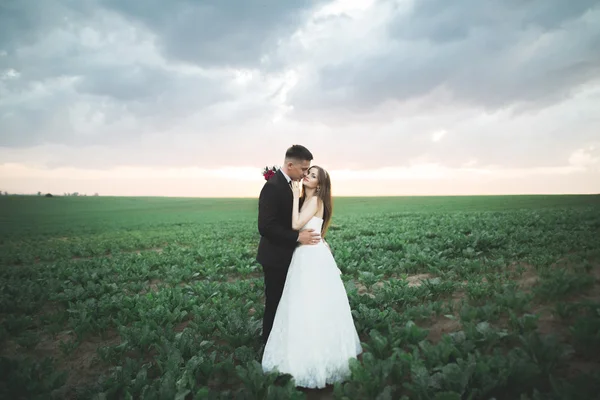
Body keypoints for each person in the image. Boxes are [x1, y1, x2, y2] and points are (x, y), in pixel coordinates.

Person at [261, 165, 362, 389]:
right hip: (306, 255)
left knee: (309, 303)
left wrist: (296, 194)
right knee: (303, 304)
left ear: (319, 185)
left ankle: (314, 359)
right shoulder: (309, 199)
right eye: (308, 172)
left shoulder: (314, 200)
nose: (307, 176)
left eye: (313, 176)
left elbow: (297, 224)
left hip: (310, 257)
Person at [256, 145, 321, 345]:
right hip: (275, 258)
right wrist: (296, 237)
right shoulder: (273, 187)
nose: (304, 174)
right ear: (290, 165)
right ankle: (268, 345)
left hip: (290, 256)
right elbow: (265, 227)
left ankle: (285, 342)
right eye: (303, 169)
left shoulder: (292, 185)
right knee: (275, 304)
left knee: (288, 304)